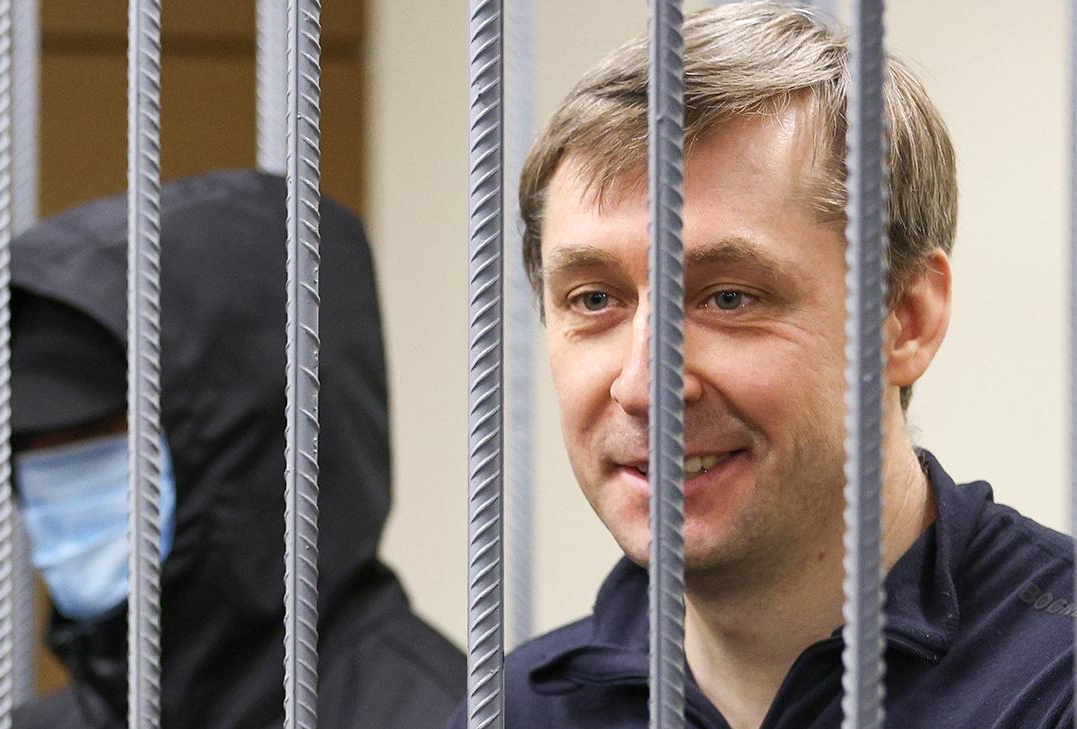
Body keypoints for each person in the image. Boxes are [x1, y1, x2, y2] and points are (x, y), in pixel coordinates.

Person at [447, 3, 1073, 728]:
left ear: (906, 318)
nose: (642, 386)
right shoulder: (521, 710)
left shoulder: (1055, 684)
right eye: (594, 299)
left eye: (729, 297)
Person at [0, 169, 465, 729]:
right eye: (26, 441)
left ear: (249, 439)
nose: (49, 470)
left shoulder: (451, 717)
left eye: (94, 428)